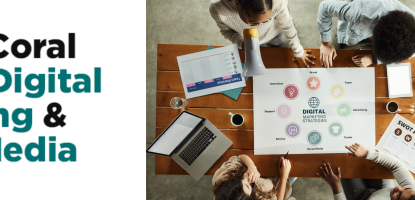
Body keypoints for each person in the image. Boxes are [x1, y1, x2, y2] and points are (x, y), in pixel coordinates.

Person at [209, 0, 315, 67]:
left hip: (275, 35)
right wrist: (240, 41)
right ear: (238, 4)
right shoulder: (216, 8)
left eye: (265, 20)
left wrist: (298, 50)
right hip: (248, 42)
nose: (258, 26)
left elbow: (287, 25)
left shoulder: (277, 2)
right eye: (253, 23)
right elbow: (226, 31)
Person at [317, 0, 415, 68]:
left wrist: (374, 60)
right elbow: (325, 7)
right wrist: (326, 44)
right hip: (362, 12)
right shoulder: (360, 12)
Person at [317, 143, 415, 200]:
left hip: (360, 197)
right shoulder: (412, 193)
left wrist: (335, 186)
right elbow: (397, 166)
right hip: (381, 189)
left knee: (343, 165)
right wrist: (367, 154)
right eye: (404, 188)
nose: (398, 187)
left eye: (398, 195)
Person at [213, 154, 296, 200]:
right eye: (246, 186)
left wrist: (251, 166)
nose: (245, 179)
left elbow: (240, 157)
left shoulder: (221, 178)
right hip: (276, 186)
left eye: (238, 182)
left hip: (264, 173)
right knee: (293, 174)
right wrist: (284, 176)